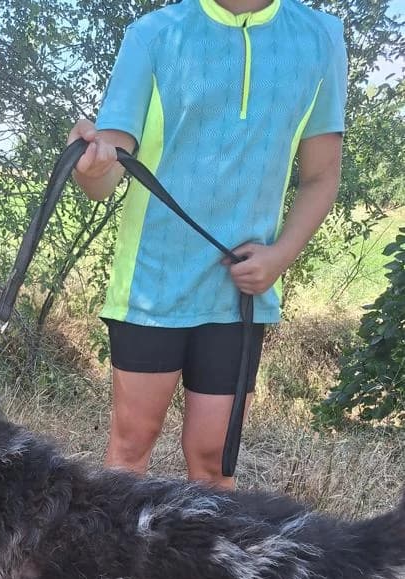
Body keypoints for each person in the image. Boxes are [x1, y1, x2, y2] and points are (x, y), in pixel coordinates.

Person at [69, 0, 347, 488]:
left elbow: (322, 176)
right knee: (131, 449)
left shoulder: (321, 38)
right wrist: (90, 167)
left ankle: (209, 566)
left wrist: (280, 257)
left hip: (238, 294)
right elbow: (106, 176)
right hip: (150, 286)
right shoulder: (153, 34)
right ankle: (121, 566)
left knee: (214, 461)